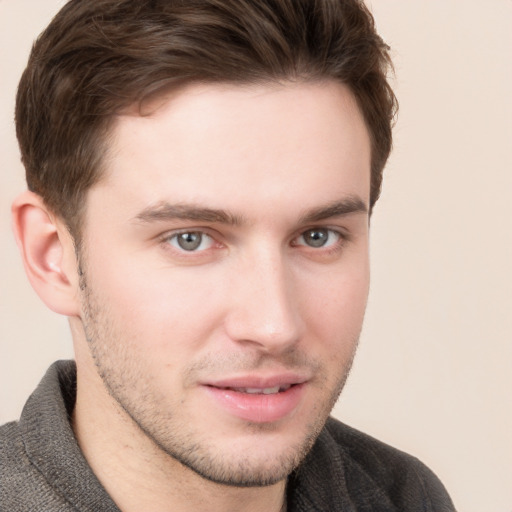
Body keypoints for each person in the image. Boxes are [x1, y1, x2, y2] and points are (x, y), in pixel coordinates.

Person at [0, 0, 456, 511]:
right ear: (52, 256)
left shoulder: (403, 497)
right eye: (190, 239)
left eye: (318, 236)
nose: (274, 325)